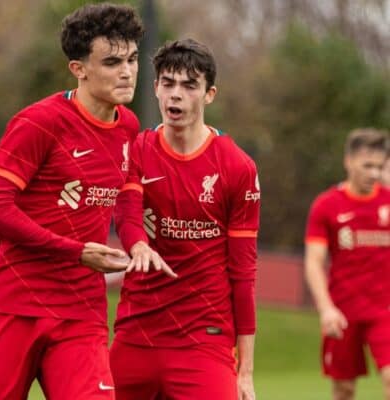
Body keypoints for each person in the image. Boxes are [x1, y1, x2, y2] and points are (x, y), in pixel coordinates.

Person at [0, 3, 144, 400]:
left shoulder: (128, 126)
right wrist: (76, 252)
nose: (127, 71)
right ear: (78, 68)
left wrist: (138, 244)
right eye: (112, 62)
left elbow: (127, 197)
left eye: (132, 59)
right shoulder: (38, 123)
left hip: (82, 312)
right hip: (12, 305)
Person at [111, 38, 260, 400]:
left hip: (204, 338)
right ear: (157, 87)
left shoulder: (237, 167)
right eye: (168, 83)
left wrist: (246, 371)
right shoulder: (138, 150)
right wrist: (139, 245)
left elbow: (243, 272)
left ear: (209, 94)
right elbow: (127, 214)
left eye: (189, 86)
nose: (175, 95)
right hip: (137, 333)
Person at [305, 128, 390, 400]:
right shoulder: (327, 205)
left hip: (384, 311)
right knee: (344, 390)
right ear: (348, 161)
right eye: (367, 165)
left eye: (379, 167)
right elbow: (314, 262)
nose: (374, 173)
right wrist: (326, 308)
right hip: (342, 313)